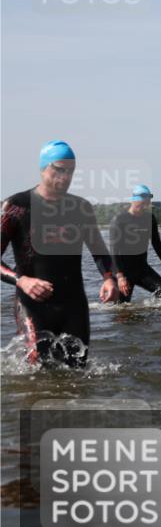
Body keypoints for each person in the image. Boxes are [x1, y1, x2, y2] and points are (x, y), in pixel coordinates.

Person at [1, 140, 119, 366]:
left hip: (73, 304)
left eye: (70, 171)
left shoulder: (81, 208)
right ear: (43, 168)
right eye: (59, 169)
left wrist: (109, 279)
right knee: (37, 372)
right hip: (32, 304)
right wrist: (22, 281)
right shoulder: (16, 206)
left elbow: (99, 251)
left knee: (78, 373)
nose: (65, 177)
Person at [110, 184, 161, 304]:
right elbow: (114, 250)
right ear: (134, 198)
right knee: (120, 309)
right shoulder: (119, 219)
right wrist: (120, 277)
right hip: (123, 271)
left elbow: (157, 243)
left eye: (149, 198)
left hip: (142, 269)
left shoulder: (149, 218)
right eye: (144, 198)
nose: (147, 202)